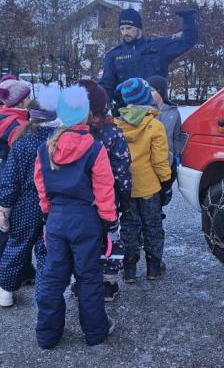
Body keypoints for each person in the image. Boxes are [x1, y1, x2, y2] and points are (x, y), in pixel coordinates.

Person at [34, 85, 118, 348]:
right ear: (85, 116)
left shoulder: (45, 148)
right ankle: (95, 332)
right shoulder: (94, 148)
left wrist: (49, 212)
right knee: (89, 278)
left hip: (57, 221)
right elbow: (105, 189)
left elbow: (41, 187)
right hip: (86, 222)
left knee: (52, 277)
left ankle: (47, 335)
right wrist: (109, 220)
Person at [0, 85, 60, 307]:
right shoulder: (60, 139)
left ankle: (6, 290)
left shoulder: (23, 140)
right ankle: (45, 287)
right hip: (53, 204)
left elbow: (11, 178)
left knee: (18, 244)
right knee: (46, 248)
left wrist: (4, 206)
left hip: (26, 203)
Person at [77, 79, 131, 302]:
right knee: (109, 240)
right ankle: (107, 282)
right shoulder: (112, 135)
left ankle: (81, 280)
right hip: (108, 201)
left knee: (82, 242)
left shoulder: (67, 135)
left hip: (78, 203)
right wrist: (125, 196)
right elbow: (122, 170)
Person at [113, 77, 171, 283]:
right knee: (153, 226)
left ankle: (129, 270)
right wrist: (166, 182)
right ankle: (154, 268)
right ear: (147, 98)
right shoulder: (155, 125)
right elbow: (159, 160)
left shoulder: (116, 125)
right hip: (150, 187)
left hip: (126, 188)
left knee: (129, 227)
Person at [98, 6, 199, 104]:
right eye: (122, 29)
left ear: (139, 28)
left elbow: (187, 41)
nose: (125, 32)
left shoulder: (158, 47)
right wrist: (101, 110)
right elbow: (105, 87)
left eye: (129, 28)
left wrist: (188, 20)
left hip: (156, 112)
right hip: (125, 114)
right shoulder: (113, 55)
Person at [0, 74, 33, 279]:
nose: (31, 100)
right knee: (14, 223)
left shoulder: (5, 119)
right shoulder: (15, 125)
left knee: (6, 222)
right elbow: (23, 152)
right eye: (28, 97)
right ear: (20, 101)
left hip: (6, 172)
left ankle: (9, 266)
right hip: (15, 176)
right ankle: (11, 268)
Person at [148, 75, 181, 207]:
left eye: (152, 90)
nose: (149, 93)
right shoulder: (145, 111)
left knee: (163, 195)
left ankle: (159, 211)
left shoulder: (174, 112)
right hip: (149, 162)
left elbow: (176, 136)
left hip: (167, 161)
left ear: (160, 91)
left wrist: (177, 155)